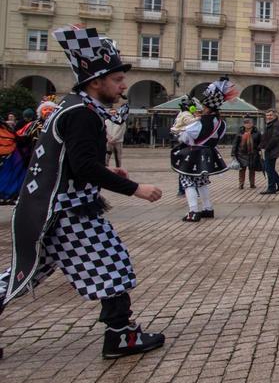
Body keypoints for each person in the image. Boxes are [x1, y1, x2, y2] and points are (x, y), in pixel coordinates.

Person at [0, 27, 165, 359]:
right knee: (113, 268)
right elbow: (85, 167)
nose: (122, 87)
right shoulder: (83, 115)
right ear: (96, 82)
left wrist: (107, 173)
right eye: (117, 80)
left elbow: (74, 164)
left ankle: (121, 335)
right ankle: (121, 337)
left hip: (48, 210)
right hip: (70, 214)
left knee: (24, 272)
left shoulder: (70, 107)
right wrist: (135, 189)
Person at [171, 78, 235, 221]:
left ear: (207, 108)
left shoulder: (201, 122)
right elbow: (217, 137)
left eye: (204, 107)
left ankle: (193, 211)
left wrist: (178, 133)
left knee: (188, 181)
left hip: (194, 153)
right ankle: (208, 208)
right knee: (202, 181)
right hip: (208, 153)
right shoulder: (221, 123)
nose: (202, 109)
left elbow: (186, 136)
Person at [232, 117, 262, 190]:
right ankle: (241, 184)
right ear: (244, 124)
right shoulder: (240, 132)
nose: (248, 124)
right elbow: (235, 144)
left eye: (249, 123)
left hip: (253, 153)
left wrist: (258, 149)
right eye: (246, 123)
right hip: (241, 154)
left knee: (252, 170)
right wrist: (233, 154)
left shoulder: (257, 132)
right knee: (242, 170)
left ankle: (252, 184)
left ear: (252, 124)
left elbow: (260, 142)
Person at [260, 109, 279, 194]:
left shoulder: (277, 124)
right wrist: (260, 146)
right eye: (267, 115)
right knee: (269, 168)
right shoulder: (270, 124)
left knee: (269, 169)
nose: (269, 117)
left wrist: (267, 147)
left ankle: (272, 187)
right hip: (270, 149)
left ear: (275, 115)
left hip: (273, 150)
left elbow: (275, 138)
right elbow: (266, 137)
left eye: (270, 115)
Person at [105, 96, 127, 168]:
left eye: (114, 112)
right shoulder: (106, 121)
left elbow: (121, 132)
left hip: (118, 141)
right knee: (107, 155)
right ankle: (106, 166)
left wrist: (114, 139)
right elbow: (105, 130)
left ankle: (118, 168)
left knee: (118, 157)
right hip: (109, 141)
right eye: (111, 113)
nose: (112, 114)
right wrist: (108, 138)